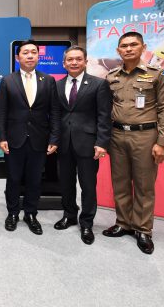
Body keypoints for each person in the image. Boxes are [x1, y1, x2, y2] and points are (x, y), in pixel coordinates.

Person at [102, 32, 164, 255]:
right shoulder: (111, 76)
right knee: (120, 182)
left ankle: (143, 229)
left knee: (144, 184)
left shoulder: (157, 74)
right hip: (117, 135)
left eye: (134, 45)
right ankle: (123, 223)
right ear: (118, 50)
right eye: (124, 46)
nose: (129, 49)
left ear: (143, 47)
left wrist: (162, 142)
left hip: (145, 136)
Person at [0, 39, 60, 235]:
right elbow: (2, 112)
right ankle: (13, 213)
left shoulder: (48, 80)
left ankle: (31, 213)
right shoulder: (8, 81)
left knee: (35, 179)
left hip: (39, 139)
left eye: (33, 52)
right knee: (13, 178)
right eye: (25, 53)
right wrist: (1, 137)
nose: (30, 56)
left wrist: (54, 138)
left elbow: (54, 112)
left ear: (38, 56)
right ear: (18, 57)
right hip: (14, 139)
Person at [54, 46, 112, 245]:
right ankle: (69, 215)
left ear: (85, 62)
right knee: (66, 183)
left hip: (88, 143)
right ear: (64, 63)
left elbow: (104, 116)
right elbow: (55, 115)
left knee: (88, 185)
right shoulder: (57, 85)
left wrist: (102, 143)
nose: (74, 62)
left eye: (78, 59)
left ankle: (86, 222)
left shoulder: (99, 84)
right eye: (70, 59)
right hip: (64, 143)